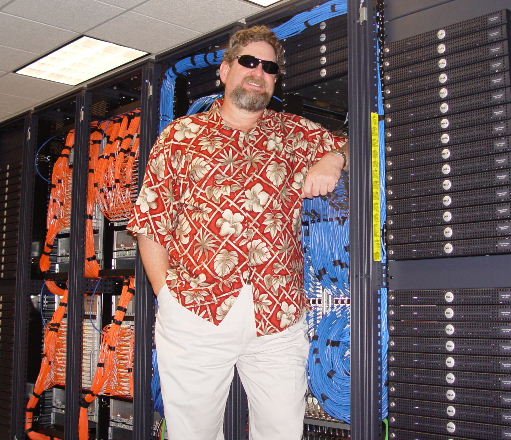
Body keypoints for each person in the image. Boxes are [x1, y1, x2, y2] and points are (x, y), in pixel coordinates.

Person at [127, 25, 348, 439]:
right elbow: (151, 222)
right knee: (192, 433)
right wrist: (168, 297)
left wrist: (333, 158)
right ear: (225, 71)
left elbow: (351, 145)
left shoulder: (294, 133)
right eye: (249, 62)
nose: (258, 72)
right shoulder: (179, 138)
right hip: (197, 310)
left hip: (277, 315)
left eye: (269, 67)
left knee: (282, 431)